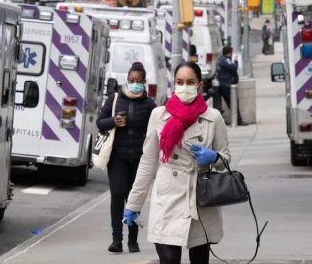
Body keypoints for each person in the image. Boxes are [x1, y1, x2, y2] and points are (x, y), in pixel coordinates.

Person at [123, 62, 230, 264]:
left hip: (199, 198)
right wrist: (134, 204)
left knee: (199, 259)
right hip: (168, 196)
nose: (184, 87)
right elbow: (147, 162)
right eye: (180, 82)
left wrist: (214, 157)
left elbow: (225, 158)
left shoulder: (213, 117)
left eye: (190, 82)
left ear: (199, 85)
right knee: (169, 259)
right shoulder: (159, 115)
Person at [96, 62, 156, 253]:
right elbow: (100, 123)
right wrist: (113, 121)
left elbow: (155, 130)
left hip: (139, 159)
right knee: (117, 195)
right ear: (126, 80)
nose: (134, 83)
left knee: (134, 198)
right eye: (131, 80)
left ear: (144, 82)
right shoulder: (114, 99)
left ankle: (133, 240)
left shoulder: (149, 105)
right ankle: (116, 240)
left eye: (138, 81)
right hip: (117, 158)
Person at [216, 46, 244, 125]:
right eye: (231, 52)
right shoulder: (225, 60)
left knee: (232, 103)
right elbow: (234, 67)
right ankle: (238, 121)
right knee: (233, 102)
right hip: (226, 85)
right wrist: (236, 60)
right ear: (229, 53)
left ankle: (237, 120)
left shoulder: (221, 59)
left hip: (225, 84)